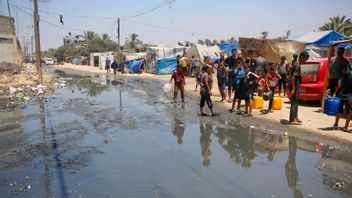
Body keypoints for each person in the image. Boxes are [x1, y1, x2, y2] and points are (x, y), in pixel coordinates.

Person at [289, 51, 309, 125]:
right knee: (294, 102)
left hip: (297, 85)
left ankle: (295, 117)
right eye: (305, 59)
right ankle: (292, 120)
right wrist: (294, 88)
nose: (305, 61)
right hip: (294, 85)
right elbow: (293, 77)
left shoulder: (298, 64)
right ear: (301, 57)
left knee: (296, 102)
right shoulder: (297, 65)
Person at [332, 66, 352, 132]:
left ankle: (345, 127)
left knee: (350, 111)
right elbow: (339, 85)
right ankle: (335, 124)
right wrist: (335, 93)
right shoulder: (345, 76)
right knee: (339, 110)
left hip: (349, 96)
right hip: (341, 95)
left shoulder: (347, 75)